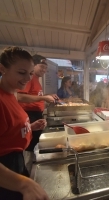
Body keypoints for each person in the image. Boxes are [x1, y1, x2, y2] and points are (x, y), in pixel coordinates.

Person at [0, 46, 49, 200]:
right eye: (22, 73)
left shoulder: (12, 93)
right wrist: (23, 184)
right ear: (2, 69)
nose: (28, 79)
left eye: (30, 74)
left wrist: (29, 127)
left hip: (17, 163)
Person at [17, 54, 58, 172]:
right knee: (29, 147)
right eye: (41, 67)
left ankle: (32, 168)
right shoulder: (29, 78)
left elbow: (35, 97)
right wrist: (44, 98)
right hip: (29, 115)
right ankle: (27, 170)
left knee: (34, 144)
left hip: (35, 115)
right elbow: (20, 97)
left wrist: (46, 97)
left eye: (46, 68)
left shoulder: (36, 80)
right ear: (33, 65)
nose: (44, 70)